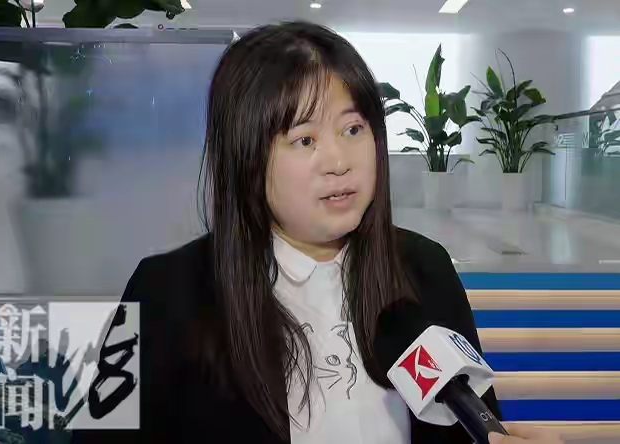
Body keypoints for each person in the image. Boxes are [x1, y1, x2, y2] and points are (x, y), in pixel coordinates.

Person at [71, 22, 564, 444]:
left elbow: (475, 423)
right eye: (304, 139)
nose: (339, 162)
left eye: (353, 130)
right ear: (246, 157)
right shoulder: (163, 293)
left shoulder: (426, 268)